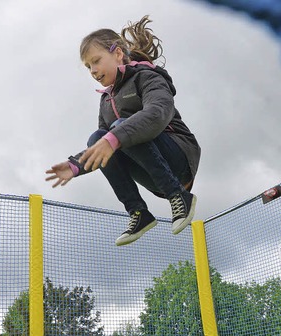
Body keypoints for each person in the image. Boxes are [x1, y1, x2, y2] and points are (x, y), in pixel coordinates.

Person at [45, 15, 200, 246]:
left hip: (179, 159)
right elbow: (101, 145)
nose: (93, 70)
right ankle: (139, 213)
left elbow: (157, 113)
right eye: (88, 66)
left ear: (118, 53)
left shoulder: (147, 77)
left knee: (120, 129)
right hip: (152, 174)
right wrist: (77, 165)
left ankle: (179, 197)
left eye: (96, 61)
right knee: (97, 137)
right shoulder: (107, 100)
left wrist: (116, 136)